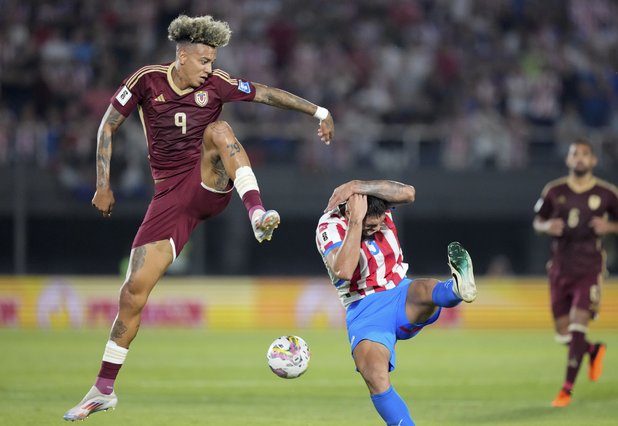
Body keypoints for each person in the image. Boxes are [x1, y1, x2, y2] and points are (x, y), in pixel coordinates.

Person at [63, 15, 334, 421]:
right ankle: (103, 388)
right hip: (169, 197)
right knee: (132, 292)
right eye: (204, 60)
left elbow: (264, 93)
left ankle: (257, 213)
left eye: (212, 61)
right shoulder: (146, 81)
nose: (210, 69)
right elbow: (107, 126)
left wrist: (319, 111)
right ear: (182, 55)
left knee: (220, 130)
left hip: (208, 183)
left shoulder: (216, 84)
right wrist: (102, 183)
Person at [316, 179, 477, 425]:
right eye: (370, 226)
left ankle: (457, 287)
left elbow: (409, 193)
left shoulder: (378, 205)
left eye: (380, 224)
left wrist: (358, 185)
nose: (375, 229)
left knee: (424, 288)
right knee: (375, 377)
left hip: (400, 291)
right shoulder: (328, 226)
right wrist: (357, 223)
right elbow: (345, 270)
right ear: (351, 211)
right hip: (365, 307)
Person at [533, 139, 618, 407]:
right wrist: (546, 227)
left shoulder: (607, 193)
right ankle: (592, 349)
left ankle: (566, 389)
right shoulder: (554, 191)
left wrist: (609, 227)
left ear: (593, 161)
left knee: (578, 324)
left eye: (585, 154)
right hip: (559, 268)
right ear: (568, 160)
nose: (579, 158)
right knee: (563, 331)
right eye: (575, 154)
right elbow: (537, 220)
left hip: (589, 267)